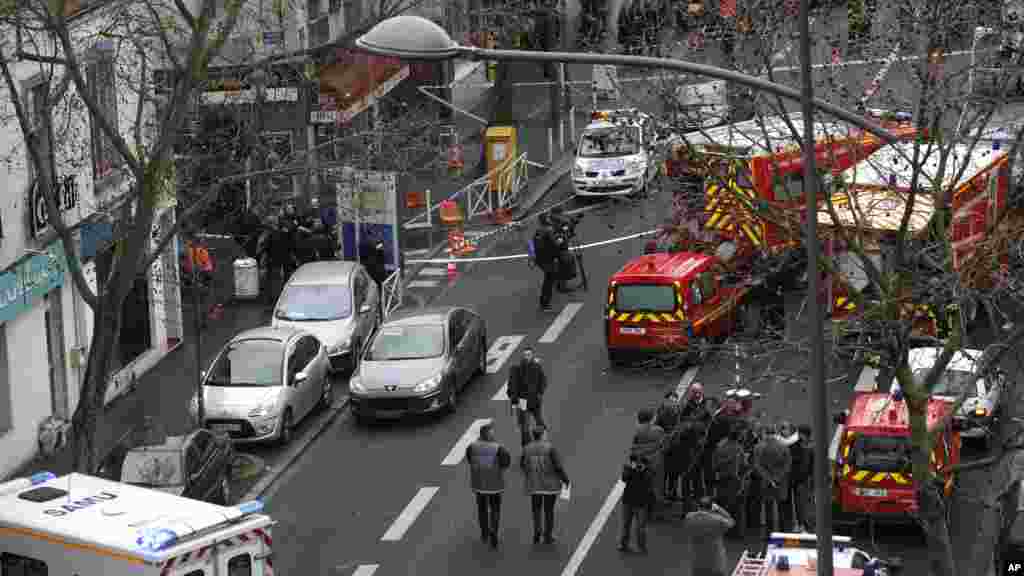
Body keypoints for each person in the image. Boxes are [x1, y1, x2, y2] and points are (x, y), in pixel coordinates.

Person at [521, 426, 570, 544]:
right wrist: (565, 479)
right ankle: (548, 535)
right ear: (542, 435)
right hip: (549, 485)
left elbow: (523, 465)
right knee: (549, 510)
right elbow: (558, 467)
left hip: (534, 484)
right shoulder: (550, 448)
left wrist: (529, 474)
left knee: (536, 509)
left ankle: (537, 531)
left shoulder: (527, 448)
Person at [465, 422, 511, 548]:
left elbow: (469, 459)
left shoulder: (472, 447)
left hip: (479, 482)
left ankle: (484, 532)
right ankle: (494, 532)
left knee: (482, 508)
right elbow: (506, 462)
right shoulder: (498, 448)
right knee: (495, 508)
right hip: (495, 483)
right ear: (490, 435)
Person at [754, 423, 793, 534]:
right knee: (781, 507)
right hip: (781, 481)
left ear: (765, 433)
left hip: (766, 482)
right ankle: (782, 531)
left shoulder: (758, 447)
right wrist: (778, 477)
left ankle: (769, 532)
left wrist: (769, 479)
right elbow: (788, 465)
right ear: (775, 433)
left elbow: (757, 465)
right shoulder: (784, 446)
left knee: (768, 507)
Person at [683, 497, 735, 576]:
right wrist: (719, 509)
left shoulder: (689, 517)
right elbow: (731, 521)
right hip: (715, 562)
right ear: (711, 507)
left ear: (698, 506)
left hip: (697, 561)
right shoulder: (718, 520)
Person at [508, 347, 548, 447]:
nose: (527, 357)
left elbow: (543, 381)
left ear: (532, 355)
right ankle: (527, 446)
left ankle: (542, 441)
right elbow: (512, 387)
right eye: (525, 355)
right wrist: (514, 402)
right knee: (525, 426)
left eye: (529, 354)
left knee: (539, 421)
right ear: (522, 356)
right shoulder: (516, 369)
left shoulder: (537, 367)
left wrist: (540, 393)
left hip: (534, 399)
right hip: (522, 401)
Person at [713, 424, 748, 538]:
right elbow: (744, 465)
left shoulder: (720, 446)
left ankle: (722, 530)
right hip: (734, 480)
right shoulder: (738, 448)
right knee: (736, 507)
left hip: (721, 478)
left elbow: (714, 463)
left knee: (722, 505)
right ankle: (736, 532)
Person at [630, 409, 667, 516]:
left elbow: (633, 448)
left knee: (642, 487)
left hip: (640, 463)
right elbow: (664, 445)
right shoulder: (659, 430)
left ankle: (642, 510)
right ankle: (656, 512)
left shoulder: (637, 430)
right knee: (657, 487)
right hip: (656, 462)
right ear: (651, 418)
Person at [619, 453, 655, 553]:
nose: (638, 464)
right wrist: (631, 469)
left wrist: (642, 470)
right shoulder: (629, 468)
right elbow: (624, 478)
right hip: (628, 501)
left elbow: (649, 480)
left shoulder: (648, 471)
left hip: (641, 503)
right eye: (635, 462)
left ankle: (641, 547)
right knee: (626, 525)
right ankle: (623, 544)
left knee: (640, 527)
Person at [532, 214, 559, 311]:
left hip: (540, 259)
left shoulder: (538, 231)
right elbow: (555, 244)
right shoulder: (549, 230)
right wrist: (559, 240)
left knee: (548, 278)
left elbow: (534, 244)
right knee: (549, 280)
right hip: (548, 259)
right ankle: (545, 304)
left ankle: (544, 302)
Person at [790, 424, 814, 531]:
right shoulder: (795, 446)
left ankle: (806, 524)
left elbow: (813, 464)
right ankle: (801, 524)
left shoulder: (811, 447)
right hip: (798, 480)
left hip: (806, 479)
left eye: (800, 433)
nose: (799, 435)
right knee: (799, 503)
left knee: (806, 503)